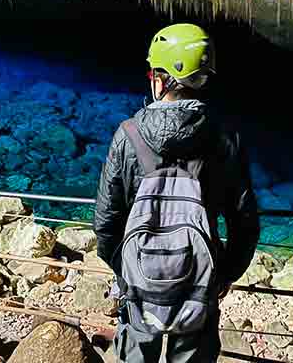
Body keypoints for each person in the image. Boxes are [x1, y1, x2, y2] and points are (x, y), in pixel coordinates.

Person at [94, 22, 260, 363]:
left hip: (139, 281)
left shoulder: (128, 136)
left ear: (158, 76)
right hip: (200, 279)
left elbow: (106, 223)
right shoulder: (225, 138)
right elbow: (244, 222)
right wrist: (225, 274)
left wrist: (126, 272)